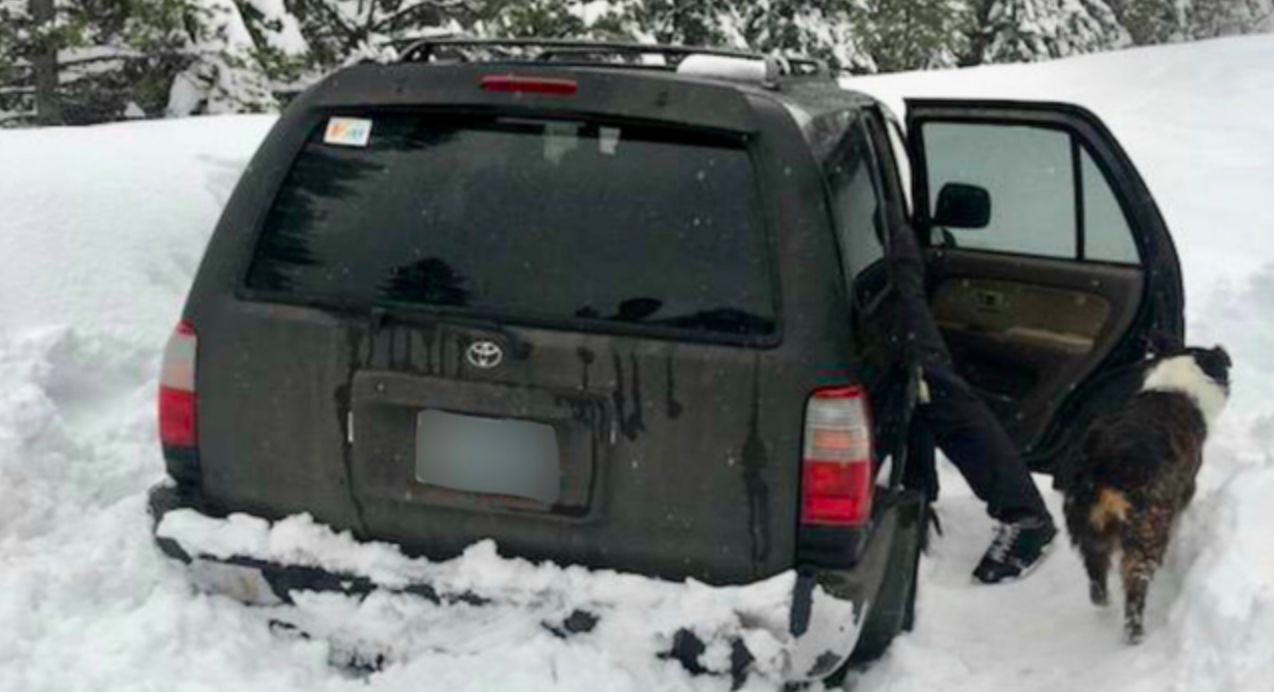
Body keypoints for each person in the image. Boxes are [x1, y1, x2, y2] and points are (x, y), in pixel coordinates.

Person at [890, 218, 1058, 584]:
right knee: (912, 391)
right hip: (873, 265)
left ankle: (1026, 517)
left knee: (932, 388)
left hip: (882, 272)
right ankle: (915, 498)